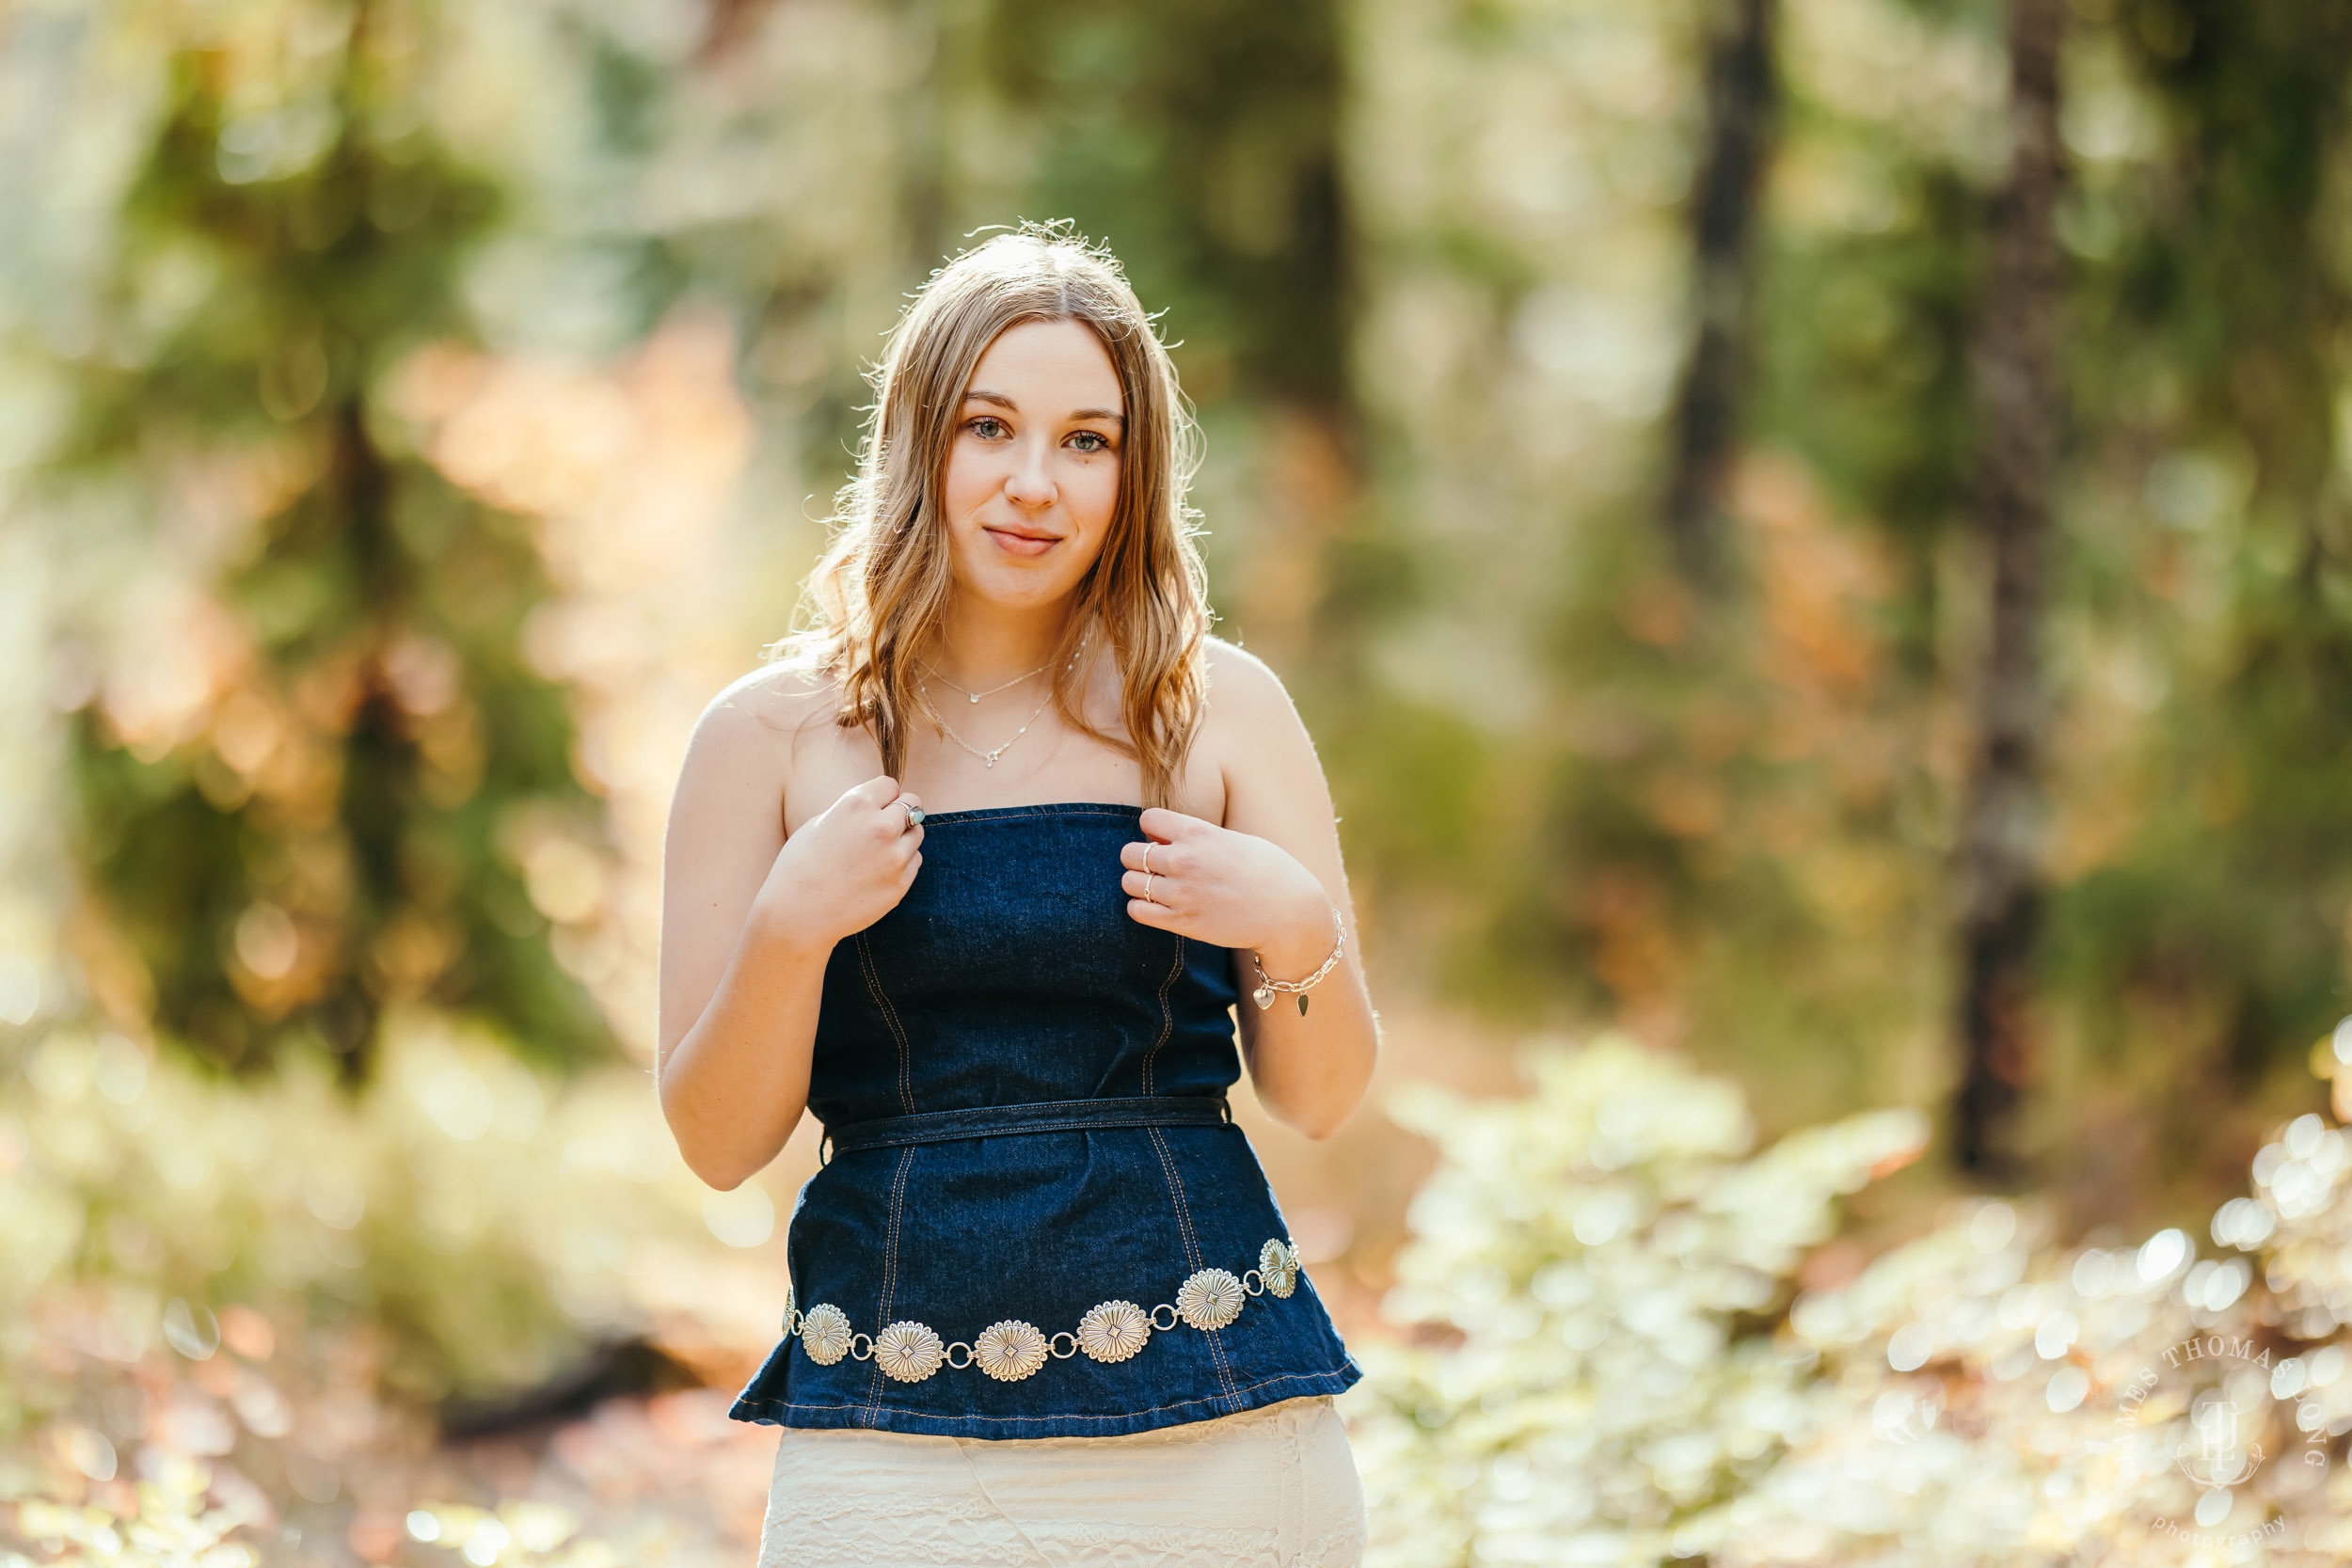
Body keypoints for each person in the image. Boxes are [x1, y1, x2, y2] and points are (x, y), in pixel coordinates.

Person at [655, 222, 1378, 1566]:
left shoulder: (1223, 711)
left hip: (1214, 1429)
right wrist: (789, 926)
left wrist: (1294, 922)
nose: (1033, 483)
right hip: (886, 1436)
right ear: (919, 440)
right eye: (990, 427)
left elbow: (1325, 1096)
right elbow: (713, 1140)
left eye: (1086, 441)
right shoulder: (766, 739)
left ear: (1134, 468)